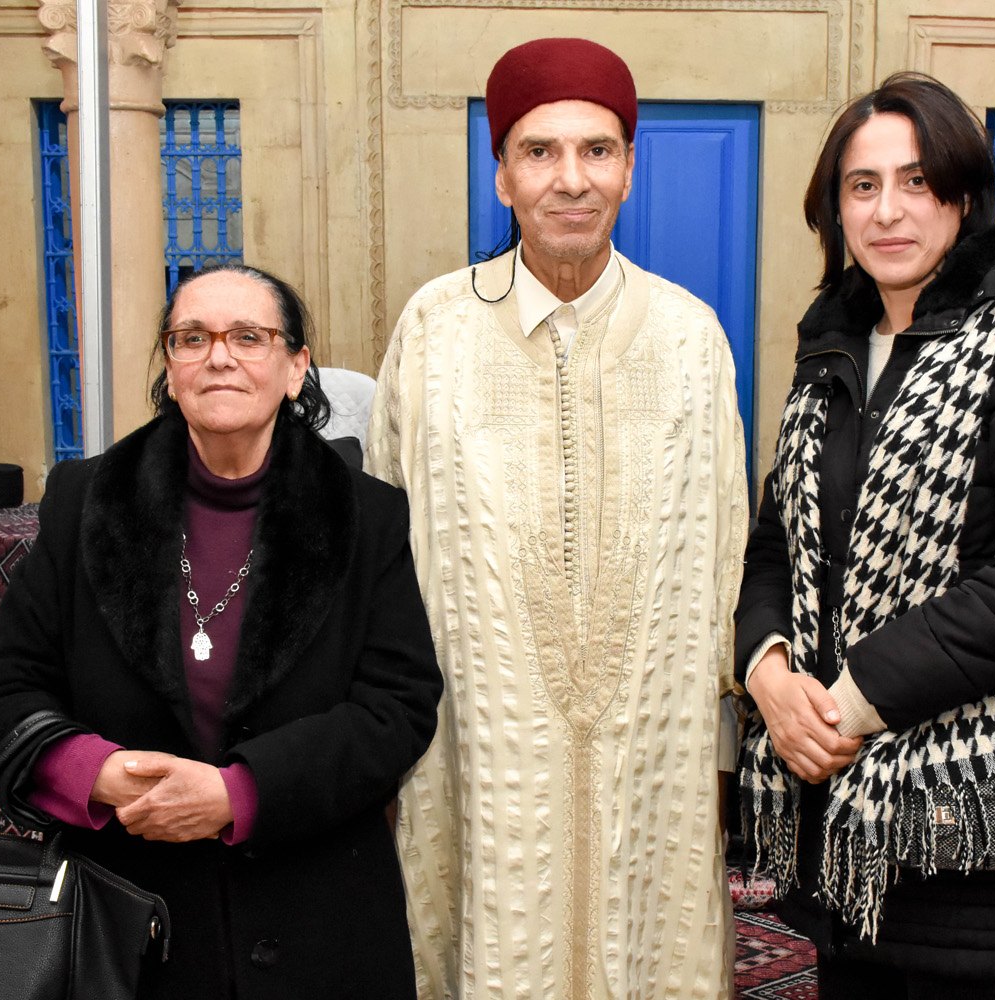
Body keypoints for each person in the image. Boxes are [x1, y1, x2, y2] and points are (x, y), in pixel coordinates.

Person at [365, 37, 748, 1000]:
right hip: (474, 743)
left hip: (655, 746)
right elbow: (378, 539)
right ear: (501, 175)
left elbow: (727, 547)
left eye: (597, 150)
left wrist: (723, 743)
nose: (571, 179)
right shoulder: (434, 330)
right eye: (540, 151)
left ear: (629, 169)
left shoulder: (690, 337)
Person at [735, 73, 995, 998]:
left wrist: (850, 700)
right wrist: (768, 675)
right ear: (835, 208)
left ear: (963, 194)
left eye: (917, 181)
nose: (888, 211)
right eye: (862, 186)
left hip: (975, 823)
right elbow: (776, 543)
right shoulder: (833, 340)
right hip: (840, 813)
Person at [0, 263, 442, 1000]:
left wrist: (240, 794)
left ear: (295, 368)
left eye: (248, 337)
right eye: (193, 338)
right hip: (122, 918)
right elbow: (5, 692)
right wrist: (98, 774)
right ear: (171, 363)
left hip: (318, 917)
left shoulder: (367, 514)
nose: (219, 357)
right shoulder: (85, 501)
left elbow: (397, 708)